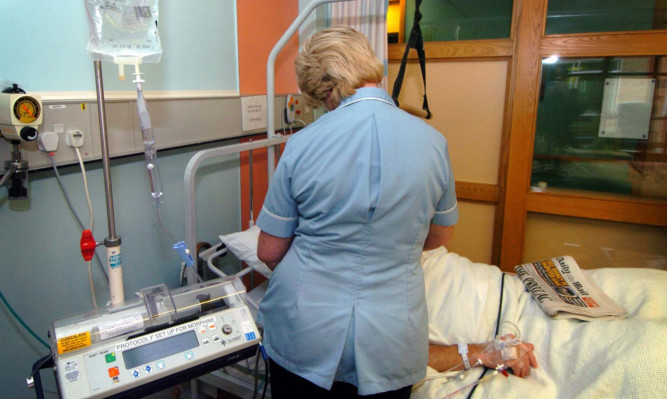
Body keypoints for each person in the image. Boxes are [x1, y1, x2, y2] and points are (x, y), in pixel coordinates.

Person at [255, 27, 458, 398]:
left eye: (319, 100)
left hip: (306, 331)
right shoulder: (434, 142)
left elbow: (268, 252)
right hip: (391, 337)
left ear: (326, 88)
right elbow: (438, 238)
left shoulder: (301, 145)